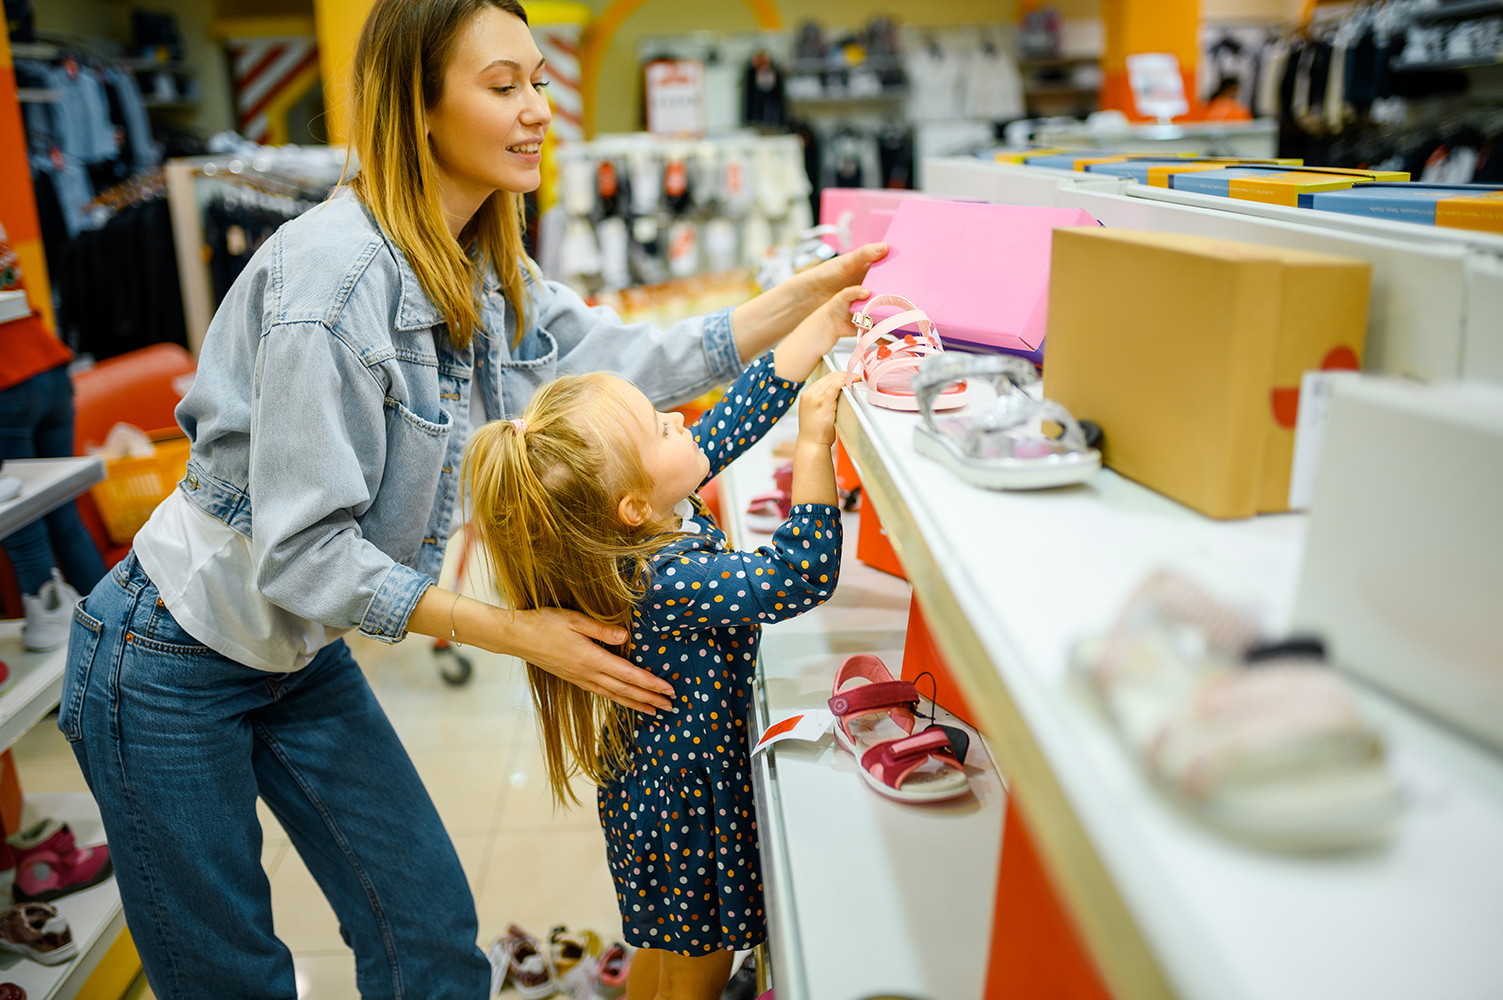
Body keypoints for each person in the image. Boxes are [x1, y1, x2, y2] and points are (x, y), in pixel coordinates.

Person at [58, 0, 885, 996]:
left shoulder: (482, 259)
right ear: (417, 107)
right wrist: (520, 630)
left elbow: (626, 359)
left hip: (299, 652)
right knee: (230, 975)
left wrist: (805, 298)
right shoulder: (333, 284)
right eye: (504, 86)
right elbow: (301, 553)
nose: (539, 108)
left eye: (539, 79)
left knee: (432, 932)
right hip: (168, 656)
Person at [464, 283, 863, 1000]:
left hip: (655, 790)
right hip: (686, 806)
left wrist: (818, 328)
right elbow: (797, 575)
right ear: (631, 505)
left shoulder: (644, 522)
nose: (685, 422)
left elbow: (727, 425)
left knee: (663, 948)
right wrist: (813, 445)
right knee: (698, 968)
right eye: (662, 427)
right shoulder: (662, 575)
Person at [0, 226, 104, 652]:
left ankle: (55, 635)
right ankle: (111, 626)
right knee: (62, 510)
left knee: (20, 518)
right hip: (46, 362)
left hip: (7, 382)